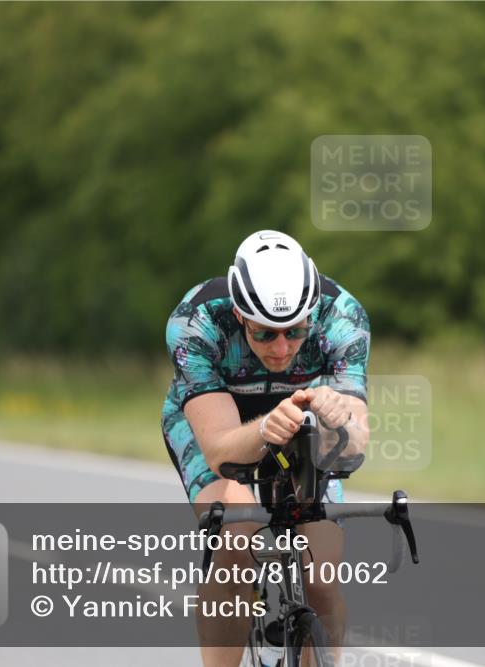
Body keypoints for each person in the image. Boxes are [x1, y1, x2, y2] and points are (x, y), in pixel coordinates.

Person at [161, 229, 370, 666]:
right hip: (221, 419)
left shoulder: (343, 316)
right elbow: (220, 451)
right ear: (239, 315)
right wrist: (264, 429)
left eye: (295, 331)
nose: (281, 348)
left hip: (302, 423)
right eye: (264, 334)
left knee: (321, 574)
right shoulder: (196, 322)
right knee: (236, 535)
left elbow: (355, 445)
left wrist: (338, 418)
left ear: (313, 313)